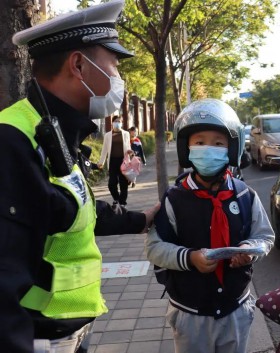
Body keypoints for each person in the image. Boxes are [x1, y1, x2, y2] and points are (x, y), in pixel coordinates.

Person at [0, 1, 159, 352]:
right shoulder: (13, 140)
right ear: (78, 65)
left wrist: (141, 219)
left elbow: (71, 209)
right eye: (114, 64)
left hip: (68, 335)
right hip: (36, 339)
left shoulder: (57, 130)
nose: (118, 77)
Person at [145, 98, 275, 353]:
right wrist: (190, 258)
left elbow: (265, 236)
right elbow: (155, 248)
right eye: (200, 142)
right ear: (187, 148)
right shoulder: (174, 198)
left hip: (236, 309)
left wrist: (250, 249)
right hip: (190, 314)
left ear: (232, 148)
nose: (208, 149)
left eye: (218, 143)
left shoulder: (244, 195)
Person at [98, 115, 131, 206]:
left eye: (119, 121)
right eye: (115, 121)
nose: (117, 123)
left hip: (123, 161)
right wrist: (101, 162)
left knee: (123, 183)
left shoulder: (126, 134)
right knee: (111, 183)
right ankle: (116, 198)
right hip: (112, 161)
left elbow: (128, 147)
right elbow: (104, 150)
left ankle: (122, 202)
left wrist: (130, 152)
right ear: (112, 123)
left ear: (121, 123)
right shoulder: (108, 135)